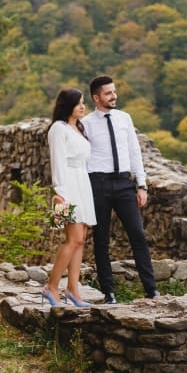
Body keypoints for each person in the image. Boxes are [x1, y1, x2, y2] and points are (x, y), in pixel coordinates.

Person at [82, 76, 158, 302]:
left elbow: (135, 152)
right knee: (101, 239)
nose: (114, 96)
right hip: (99, 183)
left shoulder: (125, 118)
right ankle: (109, 292)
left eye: (114, 92)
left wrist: (141, 185)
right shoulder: (86, 124)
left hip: (125, 184)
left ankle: (151, 290)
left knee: (138, 235)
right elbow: (83, 158)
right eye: (108, 93)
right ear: (96, 98)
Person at [43, 88, 96, 308]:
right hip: (68, 187)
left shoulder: (79, 128)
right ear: (67, 105)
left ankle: (73, 289)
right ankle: (51, 287)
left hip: (83, 184)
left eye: (84, 103)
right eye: (78, 103)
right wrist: (60, 193)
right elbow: (58, 161)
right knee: (72, 239)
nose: (82, 107)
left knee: (81, 239)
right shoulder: (58, 129)